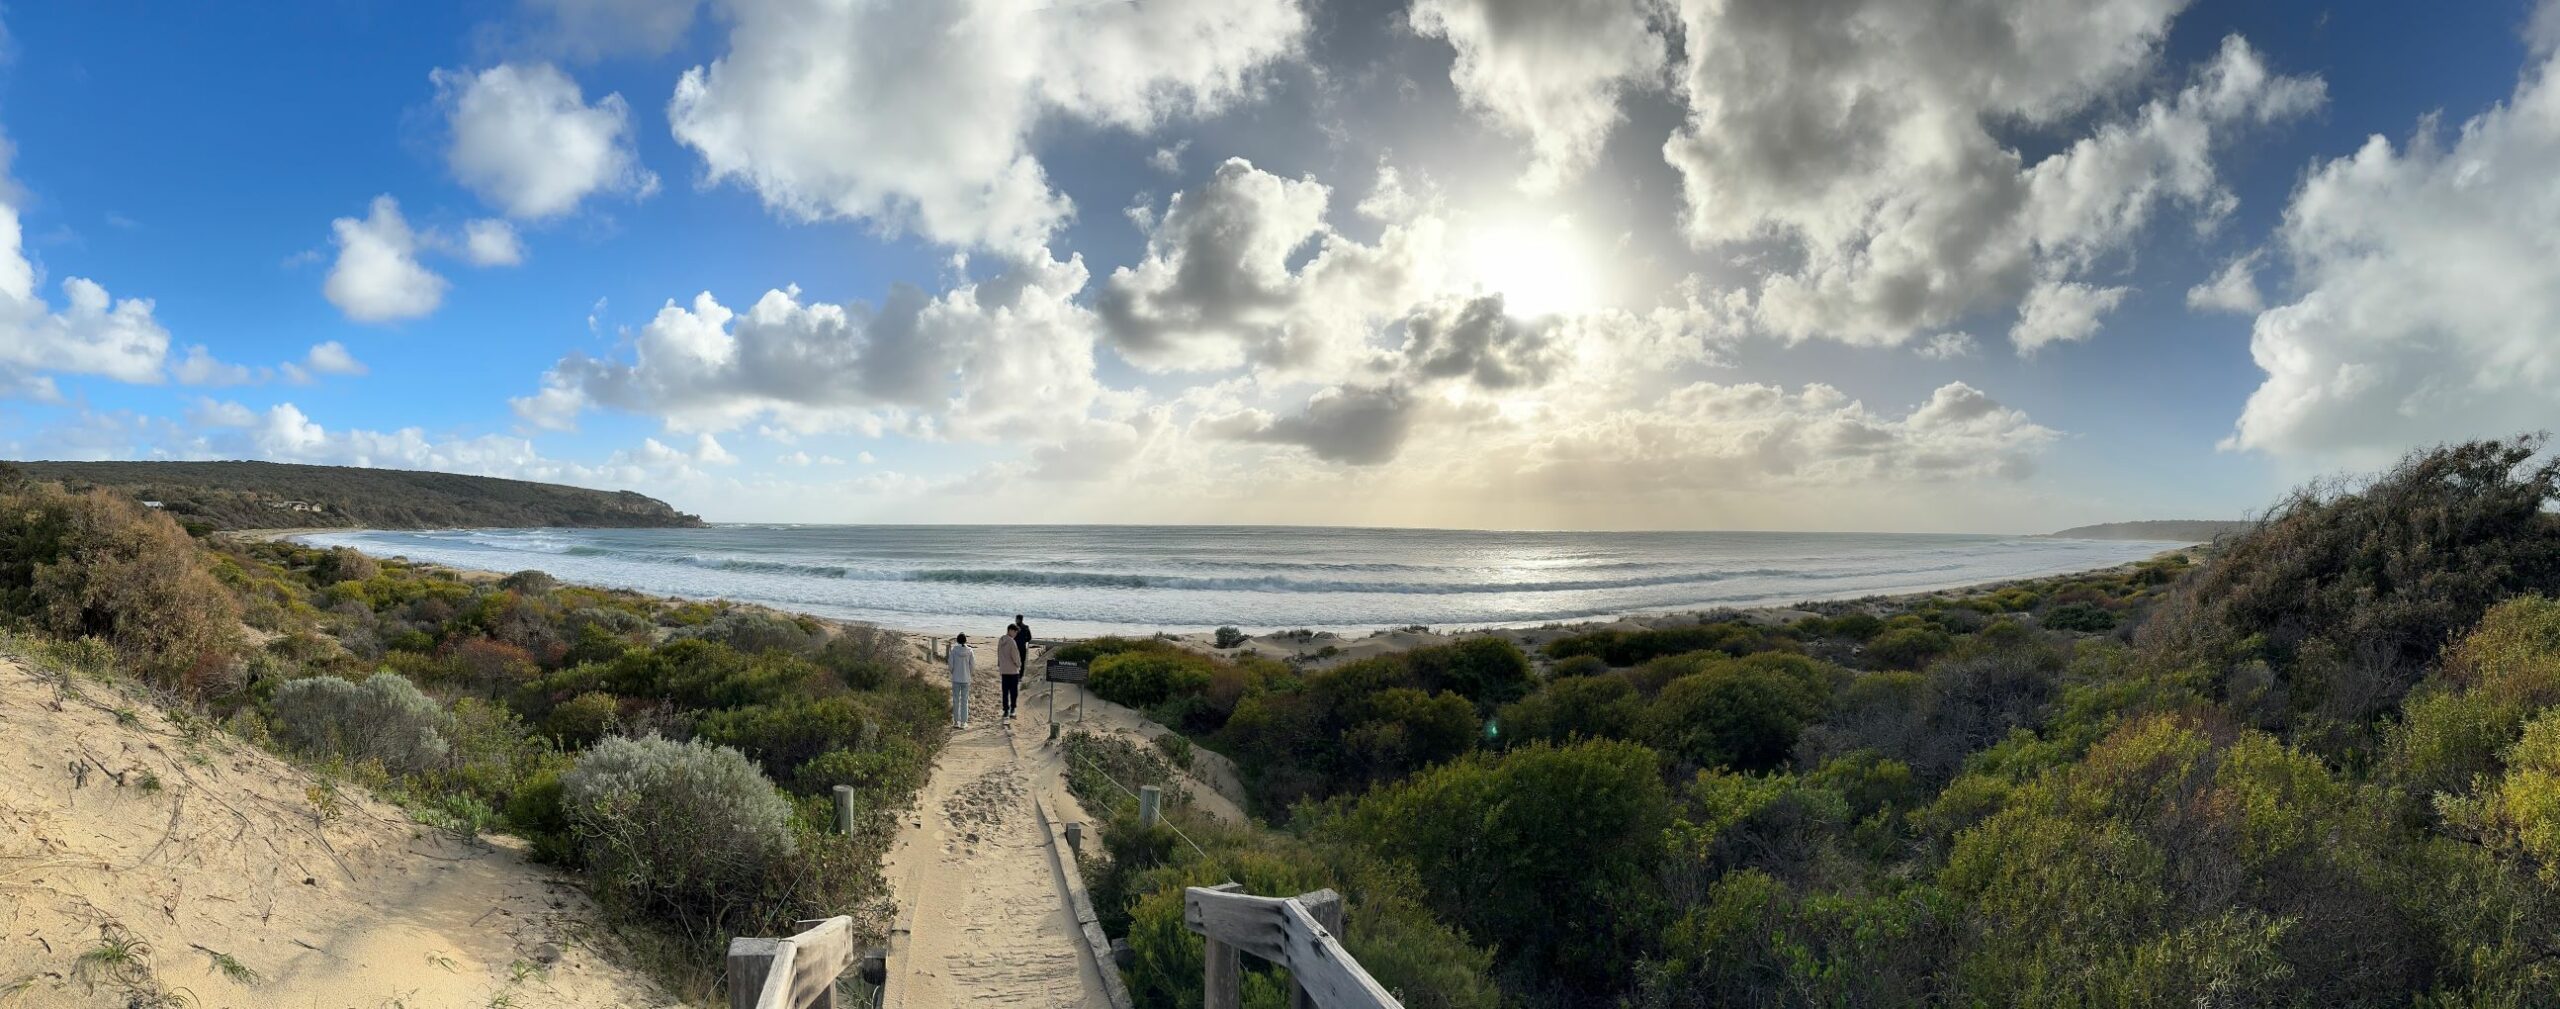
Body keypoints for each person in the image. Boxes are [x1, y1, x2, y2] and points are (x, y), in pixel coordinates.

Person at [996, 621, 1023, 721]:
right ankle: (1012, 709)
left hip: (1003, 669)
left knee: (1005, 691)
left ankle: (1005, 710)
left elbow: (998, 653)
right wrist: (1019, 665)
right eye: (1015, 632)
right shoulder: (1011, 641)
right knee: (1013, 692)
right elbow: (1015, 656)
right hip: (1012, 671)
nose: (1015, 634)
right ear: (1010, 630)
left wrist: (1000, 664)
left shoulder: (1001, 639)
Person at [947, 633, 974, 729]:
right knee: (964, 700)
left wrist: (953, 672)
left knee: (955, 700)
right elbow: (972, 666)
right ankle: (963, 722)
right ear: (965, 640)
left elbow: (950, 665)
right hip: (966, 679)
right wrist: (968, 673)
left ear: (957, 641)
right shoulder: (970, 651)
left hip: (956, 678)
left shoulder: (954, 650)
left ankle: (956, 722)